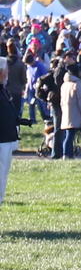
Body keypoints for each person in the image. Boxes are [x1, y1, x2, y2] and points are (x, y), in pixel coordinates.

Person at [0, 58, 34, 205]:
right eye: (6, 70)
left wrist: (20, 121)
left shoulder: (4, 90)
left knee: (4, 171)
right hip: (2, 138)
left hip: (7, 137)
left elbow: (8, 113)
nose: (8, 73)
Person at [59, 63, 81, 160]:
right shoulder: (78, 84)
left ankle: (65, 154)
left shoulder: (64, 84)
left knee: (69, 136)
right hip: (78, 114)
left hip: (67, 114)